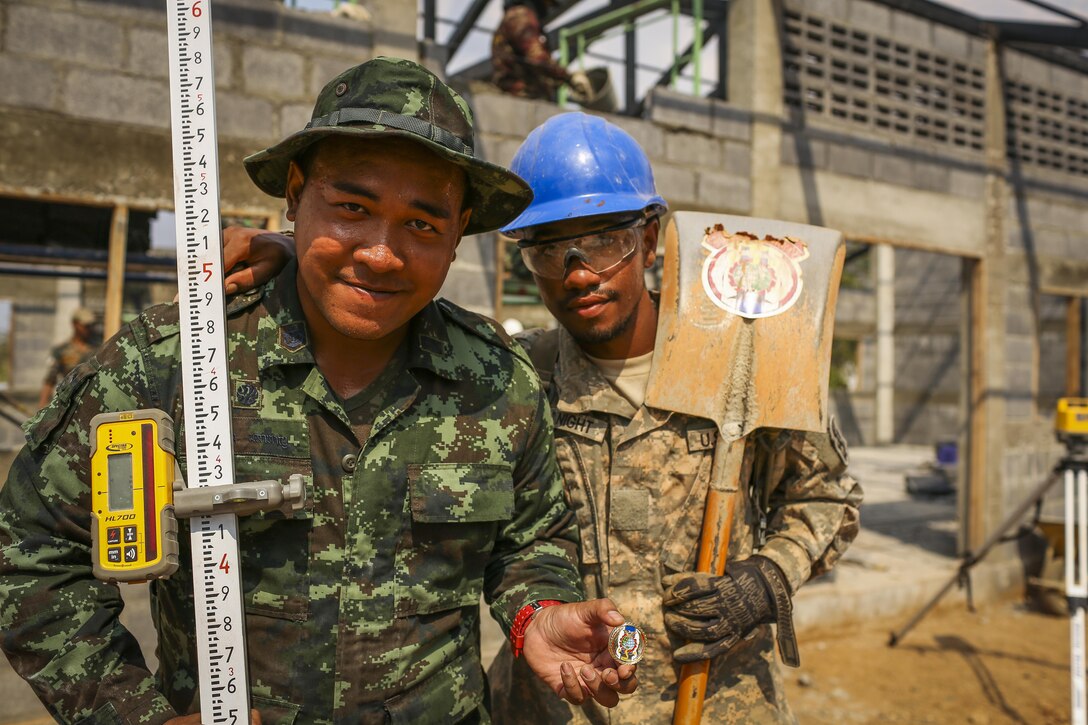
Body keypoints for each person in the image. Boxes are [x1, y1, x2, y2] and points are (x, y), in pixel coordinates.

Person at [0, 59, 638, 725]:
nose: (382, 253)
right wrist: (134, 715)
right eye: (353, 208)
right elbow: (30, 550)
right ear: (296, 196)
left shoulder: (499, 381)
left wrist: (537, 611)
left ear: (458, 232)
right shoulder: (175, 362)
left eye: (422, 224)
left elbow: (533, 541)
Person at [222, 113, 863, 723]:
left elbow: (828, 498)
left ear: (649, 239)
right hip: (555, 703)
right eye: (549, 251)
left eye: (605, 242)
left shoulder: (741, 362)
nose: (578, 274)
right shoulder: (509, 377)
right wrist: (298, 253)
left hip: (715, 695)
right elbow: (393, 308)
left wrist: (763, 581)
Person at [492, 0, 591, 102]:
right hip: (523, 98)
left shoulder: (510, 19)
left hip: (516, 97)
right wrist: (570, 78)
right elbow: (537, 59)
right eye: (548, 3)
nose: (549, 8)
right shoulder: (521, 17)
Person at [38, 306, 100, 408]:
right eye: (85, 325)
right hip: (69, 403)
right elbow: (50, 380)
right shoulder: (61, 350)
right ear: (75, 324)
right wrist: (41, 407)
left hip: (92, 401)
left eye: (90, 325)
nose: (89, 329)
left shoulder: (98, 349)